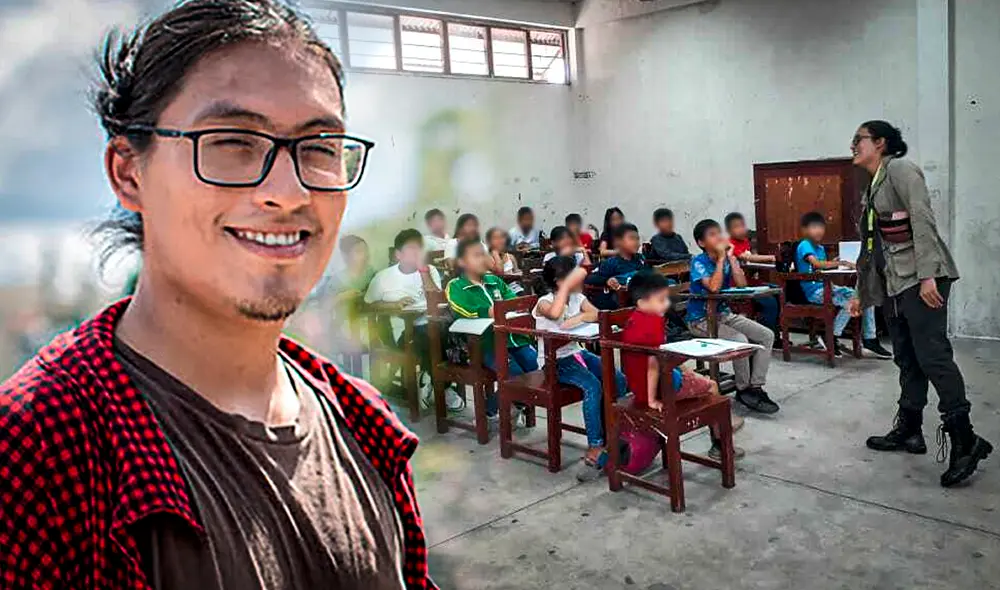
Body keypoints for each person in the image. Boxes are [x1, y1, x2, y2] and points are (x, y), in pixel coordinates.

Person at [0, 2, 435, 588]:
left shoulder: (366, 425)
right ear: (129, 173)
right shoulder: (36, 456)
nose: (288, 191)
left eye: (319, 148)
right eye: (232, 141)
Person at [849, 120, 991, 487]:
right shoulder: (873, 185)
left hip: (921, 279)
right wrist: (862, 294)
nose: (853, 146)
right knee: (907, 357)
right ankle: (910, 430)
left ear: (880, 143)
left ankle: (966, 439)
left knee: (933, 355)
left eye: (859, 140)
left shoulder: (900, 169)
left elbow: (922, 219)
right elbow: (872, 247)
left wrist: (928, 274)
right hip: (897, 284)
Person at [622, 271, 745, 460]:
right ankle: (721, 443)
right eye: (661, 300)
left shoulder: (635, 319)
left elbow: (653, 358)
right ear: (642, 302)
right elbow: (653, 364)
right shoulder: (653, 322)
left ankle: (722, 426)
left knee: (690, 372)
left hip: (643, 383)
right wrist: (651, 401)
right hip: (659, 387)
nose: (666, 304)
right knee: (711, 385)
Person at [533, 256, 628, 481]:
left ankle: (616, 432)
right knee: (593, 387)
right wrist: (571, 309)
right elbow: (556, 315)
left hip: (577, 353)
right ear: (559, 281)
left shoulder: (578, 297)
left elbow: (596, 313)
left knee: (617, 378)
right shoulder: (544, 301)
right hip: (555, 361)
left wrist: (577, 318)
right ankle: (595, 444)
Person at [688, 219, 779, 414]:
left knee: (766, 335)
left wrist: (732, 259)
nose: (719, 237)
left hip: (724, 315)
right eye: (712, 234)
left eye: (719, 233)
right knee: (741, 340)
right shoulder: (698, 261)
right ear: (701, 243)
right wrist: (721, 259)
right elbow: (713, 288)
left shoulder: (727, 259)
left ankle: (755, 387)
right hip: (702, 319)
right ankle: (743, 388)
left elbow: (741, 284)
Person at [365, 229, 462, 411]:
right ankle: (442, 386)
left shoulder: (429, 270)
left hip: (431, 327)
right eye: (411, 249)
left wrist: (423, 271)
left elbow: (437, 300)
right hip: (400, 334)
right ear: (398, 254)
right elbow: (368, 305)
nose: (417, 254)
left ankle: (430, 379)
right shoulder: (383, 277)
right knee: (436, 335)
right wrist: (393, 306)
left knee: (443, 332)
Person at [446, 239, 537, 427]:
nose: (483, 259)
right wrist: (490, 311)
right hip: (485, 345)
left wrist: (505, 309)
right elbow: (464, 311)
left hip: (515, 338)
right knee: (516, 376)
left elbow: (514, 303)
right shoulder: (456, 286)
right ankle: (492, 410)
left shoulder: (494, 281)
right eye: (477, 255)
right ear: (462, 262)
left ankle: (510, 406)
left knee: (535, 368)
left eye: (484, 254)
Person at [796, 212, 891, 359]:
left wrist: (835, 262)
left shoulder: (820, 248)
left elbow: (823, 267)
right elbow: (816, 264)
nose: (819, 231)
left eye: (821, 227)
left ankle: (870, 338)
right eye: (814, 227)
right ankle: (831, 335)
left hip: (829, 288)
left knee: (864, 296)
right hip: (814, 291)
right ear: (805, 230)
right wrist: (841, 263)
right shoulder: (804, 245)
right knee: (851, 303)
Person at [724, 212, 781, 335]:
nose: (741, 229)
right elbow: (745, 257)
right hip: (736, 284)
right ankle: (767, 331)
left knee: (778, 291)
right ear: (729, 230)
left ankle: (774, 330)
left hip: (749, 281)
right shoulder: (731, 244)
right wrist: (771, 258)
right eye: (736, 227)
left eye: (742, 226)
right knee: (769, 300)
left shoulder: (744, 242)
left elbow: (750, 257)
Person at [585, 223, 648, 310]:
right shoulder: (612, 263)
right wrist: (607, 280)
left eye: (637, 239)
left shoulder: (640, 259)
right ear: (619, 242)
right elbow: (590, 278)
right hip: (619, 303)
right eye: (632, 239)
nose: (636, 242)